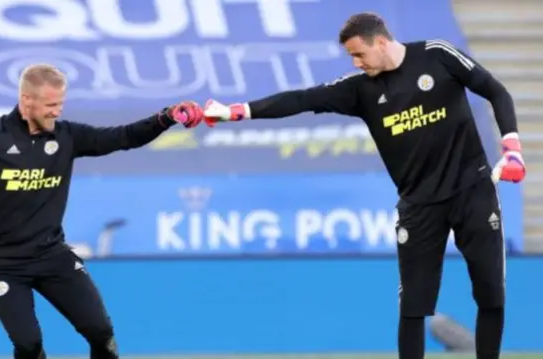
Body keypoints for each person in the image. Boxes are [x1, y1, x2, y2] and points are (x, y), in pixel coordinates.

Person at [202, 12, 525, 359]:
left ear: (381, 42)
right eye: (351, 57)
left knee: (491, 292)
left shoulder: (438, 54)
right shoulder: (359, 90)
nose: (356, 64)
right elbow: (301, 100)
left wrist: (512, 148)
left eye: (359, 54)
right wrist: (235, 111)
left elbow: (496, 91)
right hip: (418, 204)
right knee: (413, 307)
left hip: (472, 191)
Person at [0, 63, 204, 359]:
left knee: (100, 332)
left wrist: (165, 117)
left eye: (61, 104)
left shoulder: (66, 136)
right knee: (28, 345)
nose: (57, 111)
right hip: (2, 263)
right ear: (27, 100)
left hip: (51, 255)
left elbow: (123, 137)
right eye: (51, 105)